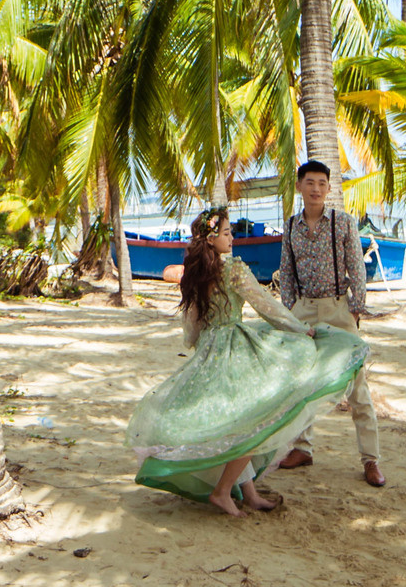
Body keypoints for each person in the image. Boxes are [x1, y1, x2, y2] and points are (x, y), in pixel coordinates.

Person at [127, 207, 369, 517]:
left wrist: (196, 345)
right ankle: (223, 491)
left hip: (210, 348)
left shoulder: (195, 272)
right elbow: (266, 305)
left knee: (237, 419)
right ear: (212, 239)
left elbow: (191, 322)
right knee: (255, 420)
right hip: (235, 346)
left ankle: (249, 492)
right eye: (227, 233)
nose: (232, 238)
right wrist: (299, 329)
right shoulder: (234, 270)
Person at [275, 159, 385, 487]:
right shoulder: (292, 225)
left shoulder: (343, 223)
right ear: (299, 186)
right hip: (304, 309)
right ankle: (303, 448)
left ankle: (371, 460)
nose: (316, 189)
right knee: (300, 383)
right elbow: (287, 271)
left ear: (329, 188)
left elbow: (357, 268)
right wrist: (291, 311)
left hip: (339, 309)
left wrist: (354, 310)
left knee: (358, 387)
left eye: (322, 183)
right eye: (310, 182)